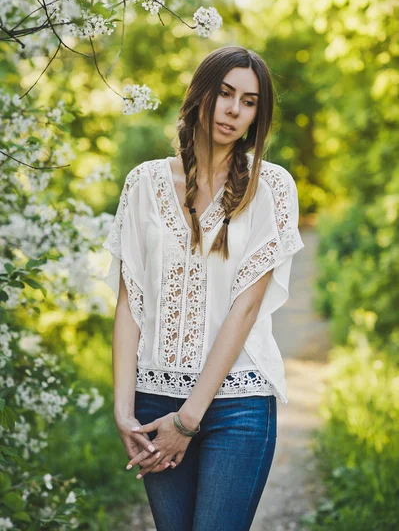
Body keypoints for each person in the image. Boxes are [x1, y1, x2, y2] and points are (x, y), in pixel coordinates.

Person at [102, 45, 305, 531]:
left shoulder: (272, 186)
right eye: (226, 94)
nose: (235, 110)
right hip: (155, 398)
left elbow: (246, 308)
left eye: (250, 101)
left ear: (258, 114)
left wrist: (187, 421)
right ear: (201, 95)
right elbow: (131, 301)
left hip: (239, 406)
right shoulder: (143, 183)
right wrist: (123, 409)